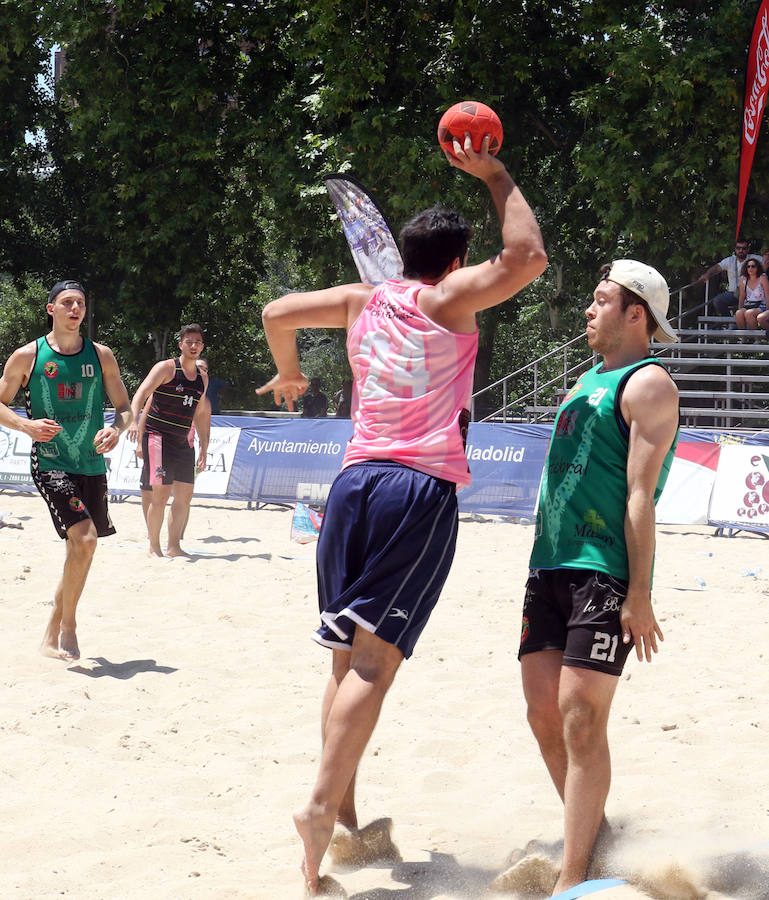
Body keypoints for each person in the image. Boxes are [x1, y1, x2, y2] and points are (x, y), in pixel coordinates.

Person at [256, 133, 547, 896]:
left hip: (350, 485)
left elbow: (275, 309)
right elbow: (528, 257)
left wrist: (288, 373)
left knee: (344, 656)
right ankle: (320, 807)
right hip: (414, 490)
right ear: (453, 262)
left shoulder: (362, 299)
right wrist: (493, 172)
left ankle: (345, 823)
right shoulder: (447, 298)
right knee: (376, 664)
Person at [515, 260, 679, 894]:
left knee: (581, 718)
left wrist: (640, 594)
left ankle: (574, 876)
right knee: (542, 714)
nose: (589, 308)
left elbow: (641, 496)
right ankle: (597, 839)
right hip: (549, 564)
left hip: (604, 571)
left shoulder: (649, 384)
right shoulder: (587, 378)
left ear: (635, 314)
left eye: (601, 299)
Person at [0, 280, 132, 660]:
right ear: (51, 309)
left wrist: (116, 428)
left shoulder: (102, 355)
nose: (76, 308)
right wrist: (26, 426)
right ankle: (69, 627)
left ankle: (48, 636)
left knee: (80, 551)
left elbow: (124, 407)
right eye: (68, 302)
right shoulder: (28, 356)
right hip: (52, 460)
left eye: (81, 303)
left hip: (90, 463)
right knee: (85, 540)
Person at [128, 324, 209, 557]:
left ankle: (174, 547)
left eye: (198, 342)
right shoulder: (166, 368)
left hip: (183, 443)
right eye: (189, 341)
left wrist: (204, 446)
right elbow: (141, 394)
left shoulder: (202, 378)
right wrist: (134, 421)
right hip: (157, 438)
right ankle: (154, 547)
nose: (193, 346)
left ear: (202, 347)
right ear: (180, 344)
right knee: (160, 495)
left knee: (184, 497)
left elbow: (200, 413)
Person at [698, 239, 761, 317]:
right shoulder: (729, 260)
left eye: (744, 248)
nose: (741, 250)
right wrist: (707, 274)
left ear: (748, 249)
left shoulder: (755, 259)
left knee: (753, 306)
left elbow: (766, 262)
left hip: (751, 294)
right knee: (718, 300)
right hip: (734, 293)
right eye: (738, 248)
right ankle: (729, 322)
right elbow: (717, 268)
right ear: (735, 249)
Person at [735, 259, 769, 332]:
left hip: (761, 305)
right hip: (749, 304)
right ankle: (744, 339)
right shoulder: (743, 279)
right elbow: (742, 296)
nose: (750, 268)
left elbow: (767, 296)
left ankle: (756, 339)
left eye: (753, 266)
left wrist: (767, 310)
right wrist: (740, 308)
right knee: (738, 313)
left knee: (749, 313)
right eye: (748, 266)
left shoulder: (762, 278)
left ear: (757, 268)